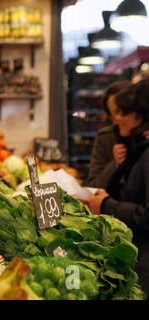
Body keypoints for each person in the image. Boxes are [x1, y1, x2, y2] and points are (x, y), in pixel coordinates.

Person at [89, 79, 149, 295]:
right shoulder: (138, 146)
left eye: (123, 112)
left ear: (141, 115)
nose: (117, 119)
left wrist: (107, 204)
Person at [85, 80, 130, 188]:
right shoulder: (106, 138)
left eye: (126, 110)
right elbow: (93, 186)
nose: (120, 117)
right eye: (116, 112)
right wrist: (114, 165)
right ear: (111, 118)